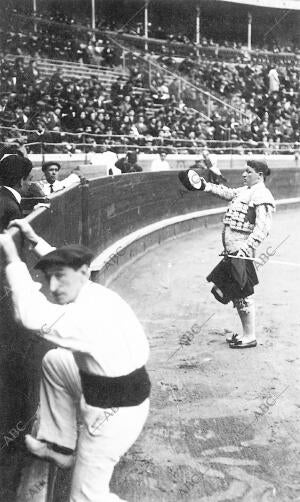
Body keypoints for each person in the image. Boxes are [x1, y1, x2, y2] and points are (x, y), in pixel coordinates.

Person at [0, 219, 151, 501]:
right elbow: (64, 270)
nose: (53, 286)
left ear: (82, 273)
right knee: (56, 362)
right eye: (48, 278)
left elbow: (30, 316)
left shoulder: (85, 317)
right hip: (125, 397)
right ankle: (61, 447)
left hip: (111, 419)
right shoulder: (92, 290)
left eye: (59, 277)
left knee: (85, 497)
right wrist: (35, 241)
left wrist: (12, 256)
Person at [179, 160, 275, 349]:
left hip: (241, 252)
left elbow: (263, 228)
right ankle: (248, 334)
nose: (244, 174)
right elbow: (227, 192)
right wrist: (204, 186)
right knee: (235, 293)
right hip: (233, 251)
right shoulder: (246, 191)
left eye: (248, 171)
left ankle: (250, 336)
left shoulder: (262, 194)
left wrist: (246, 248)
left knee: (243, 294)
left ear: (260, 175)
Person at [0, 153, 33, 232]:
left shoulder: (4, 197)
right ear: (21, 181)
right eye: (30, 179)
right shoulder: (11, 207)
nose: (30, 184)